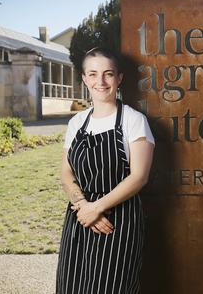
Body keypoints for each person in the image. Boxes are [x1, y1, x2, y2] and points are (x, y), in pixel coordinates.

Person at [56, 47, 155, 293]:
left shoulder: (133, 120)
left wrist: (97, 209)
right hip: (79, 220)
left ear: (119, 78)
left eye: (108, 74)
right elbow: (66, 173)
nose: (100, 81)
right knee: (72, 286)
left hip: (118, 223)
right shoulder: (77, 122)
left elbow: (139, 177)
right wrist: (83, 206)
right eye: (93, 74)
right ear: (84, 78)